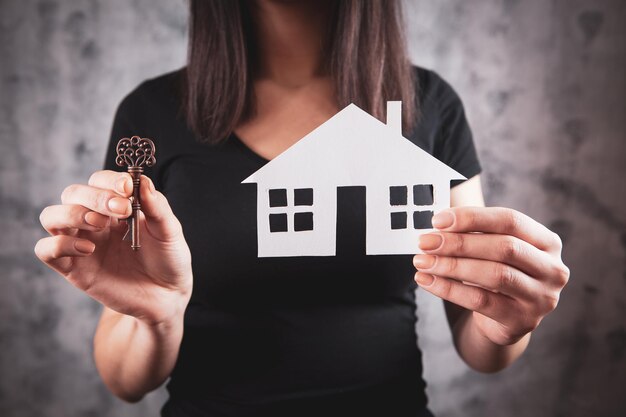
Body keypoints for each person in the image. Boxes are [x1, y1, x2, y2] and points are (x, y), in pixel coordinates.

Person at [34, 1, 570, 416]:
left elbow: (482, 344)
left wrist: (508, 319)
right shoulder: (150, 113)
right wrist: (159, 316)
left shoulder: (427, 105)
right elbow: (125, 380)